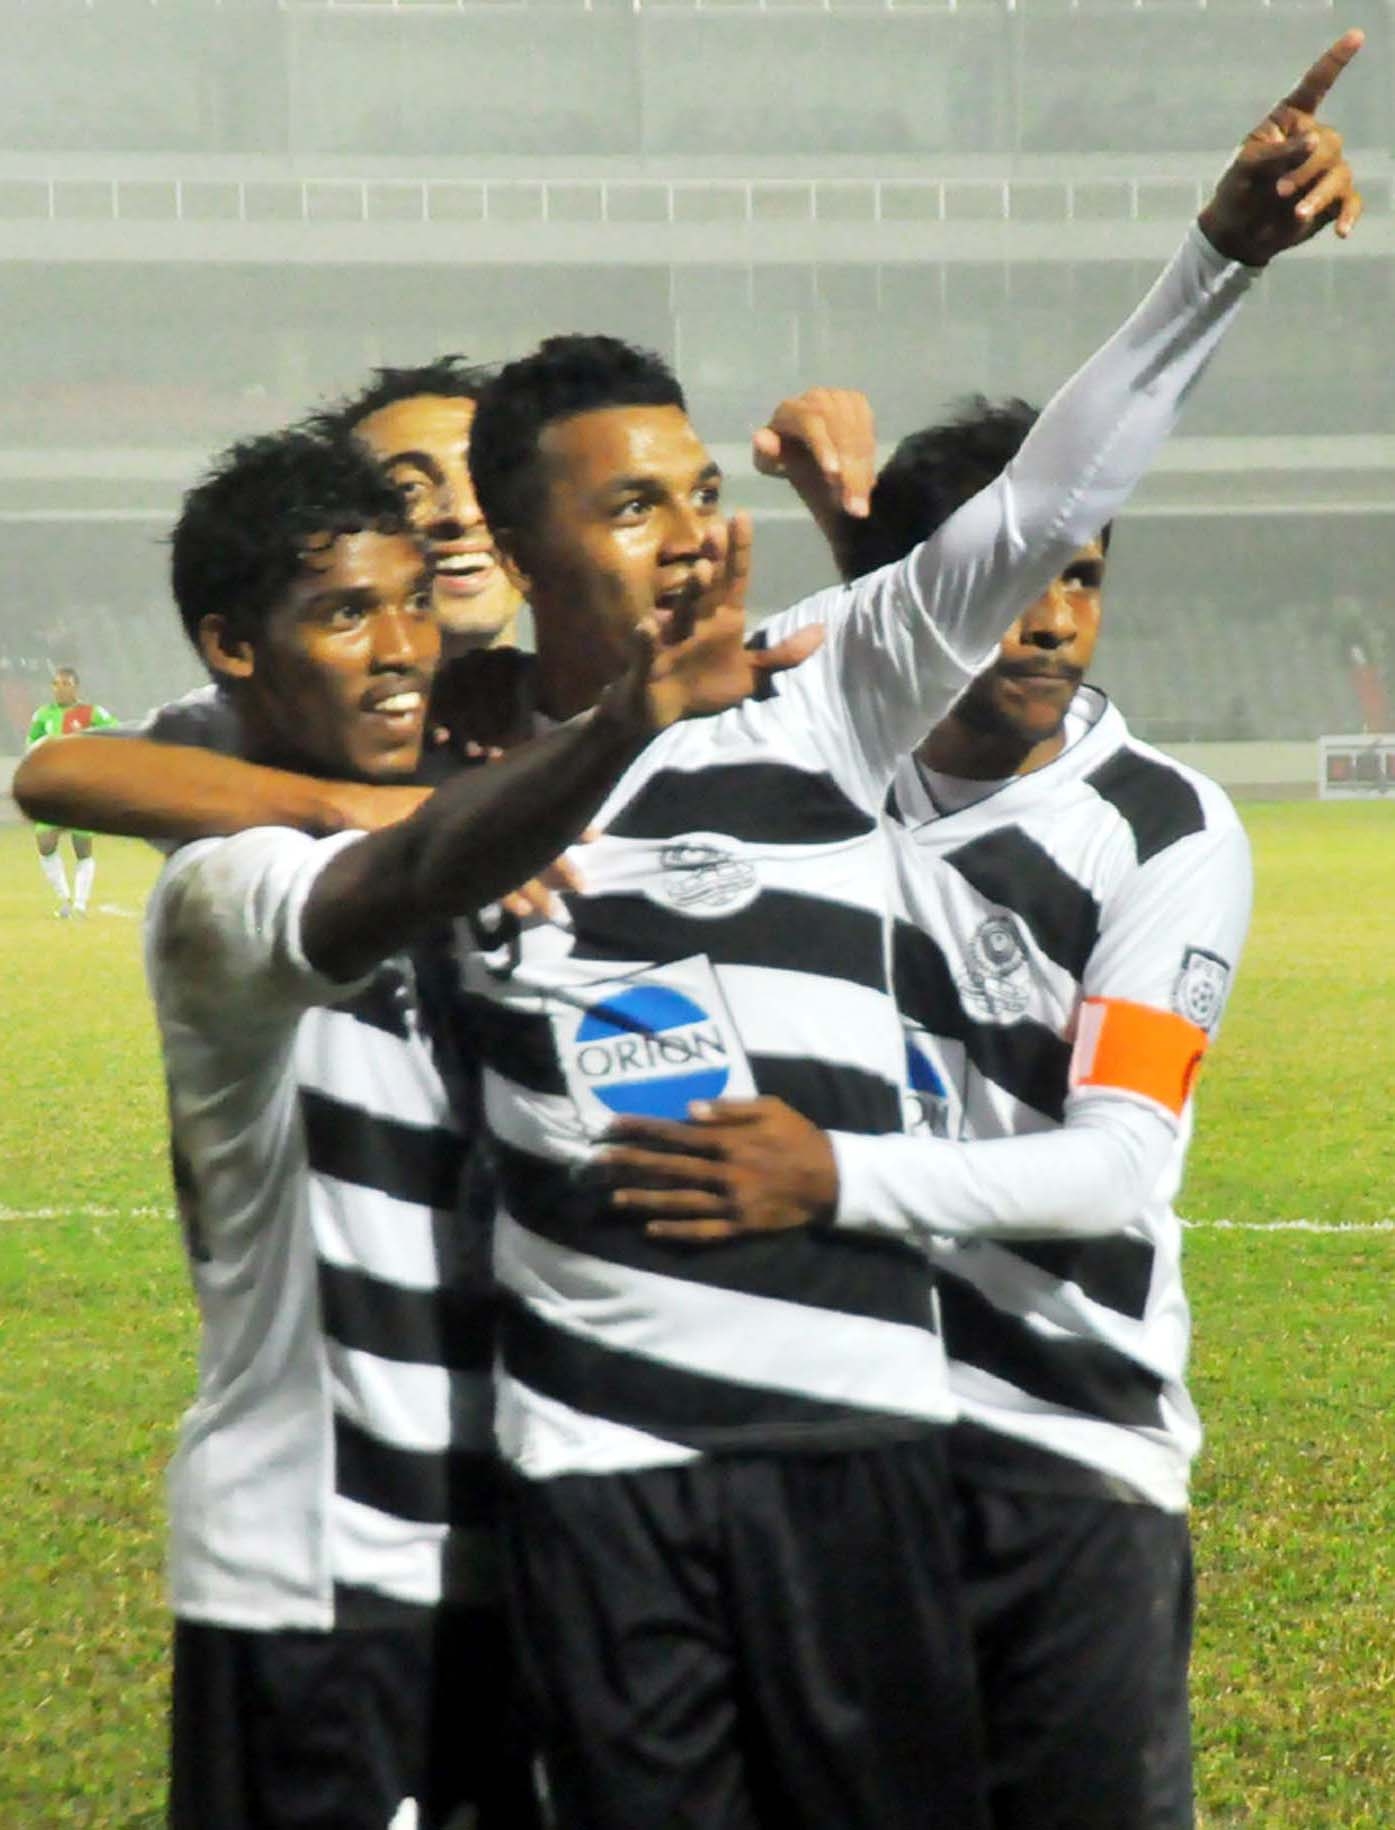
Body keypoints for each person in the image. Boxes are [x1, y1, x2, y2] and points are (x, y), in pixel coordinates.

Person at [453, 45, 1357, 1827]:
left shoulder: (817, 692)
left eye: (692, 491)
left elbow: (1030, 508)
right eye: (629, 506)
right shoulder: (456, 778)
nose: (686, 535)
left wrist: (1216, 261)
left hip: (893, 1441)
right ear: (512, 542)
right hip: (603, 1456)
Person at [145, 423, 813, 1830]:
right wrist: (615, 730)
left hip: (522, 1548)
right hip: (322, 1572)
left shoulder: (485, 839)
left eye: (409, 604)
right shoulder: (229, 884)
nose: (399, 648)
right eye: (343, 614)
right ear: (232, 648)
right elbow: (395, 881)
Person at [626, 391, 1249, 1828]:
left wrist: (827, 1177)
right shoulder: (812, 746)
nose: (1053, 621)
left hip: (1063, 1449)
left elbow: (1118, 1165)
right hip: (838, 1439)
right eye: (1023, 577)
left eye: (1083, 577)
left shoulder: (1160, 828)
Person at [25, 666, 118, 916]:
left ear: (76, 687)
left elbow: (116, 733)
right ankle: (65, 898)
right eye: (56, 684)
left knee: (82, 847)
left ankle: (79, 905)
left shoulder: (91, 713)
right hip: (53, 789)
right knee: (45, 842)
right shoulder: (43, 715)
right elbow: (31, 744)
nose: (60, 689)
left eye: (65, 684)